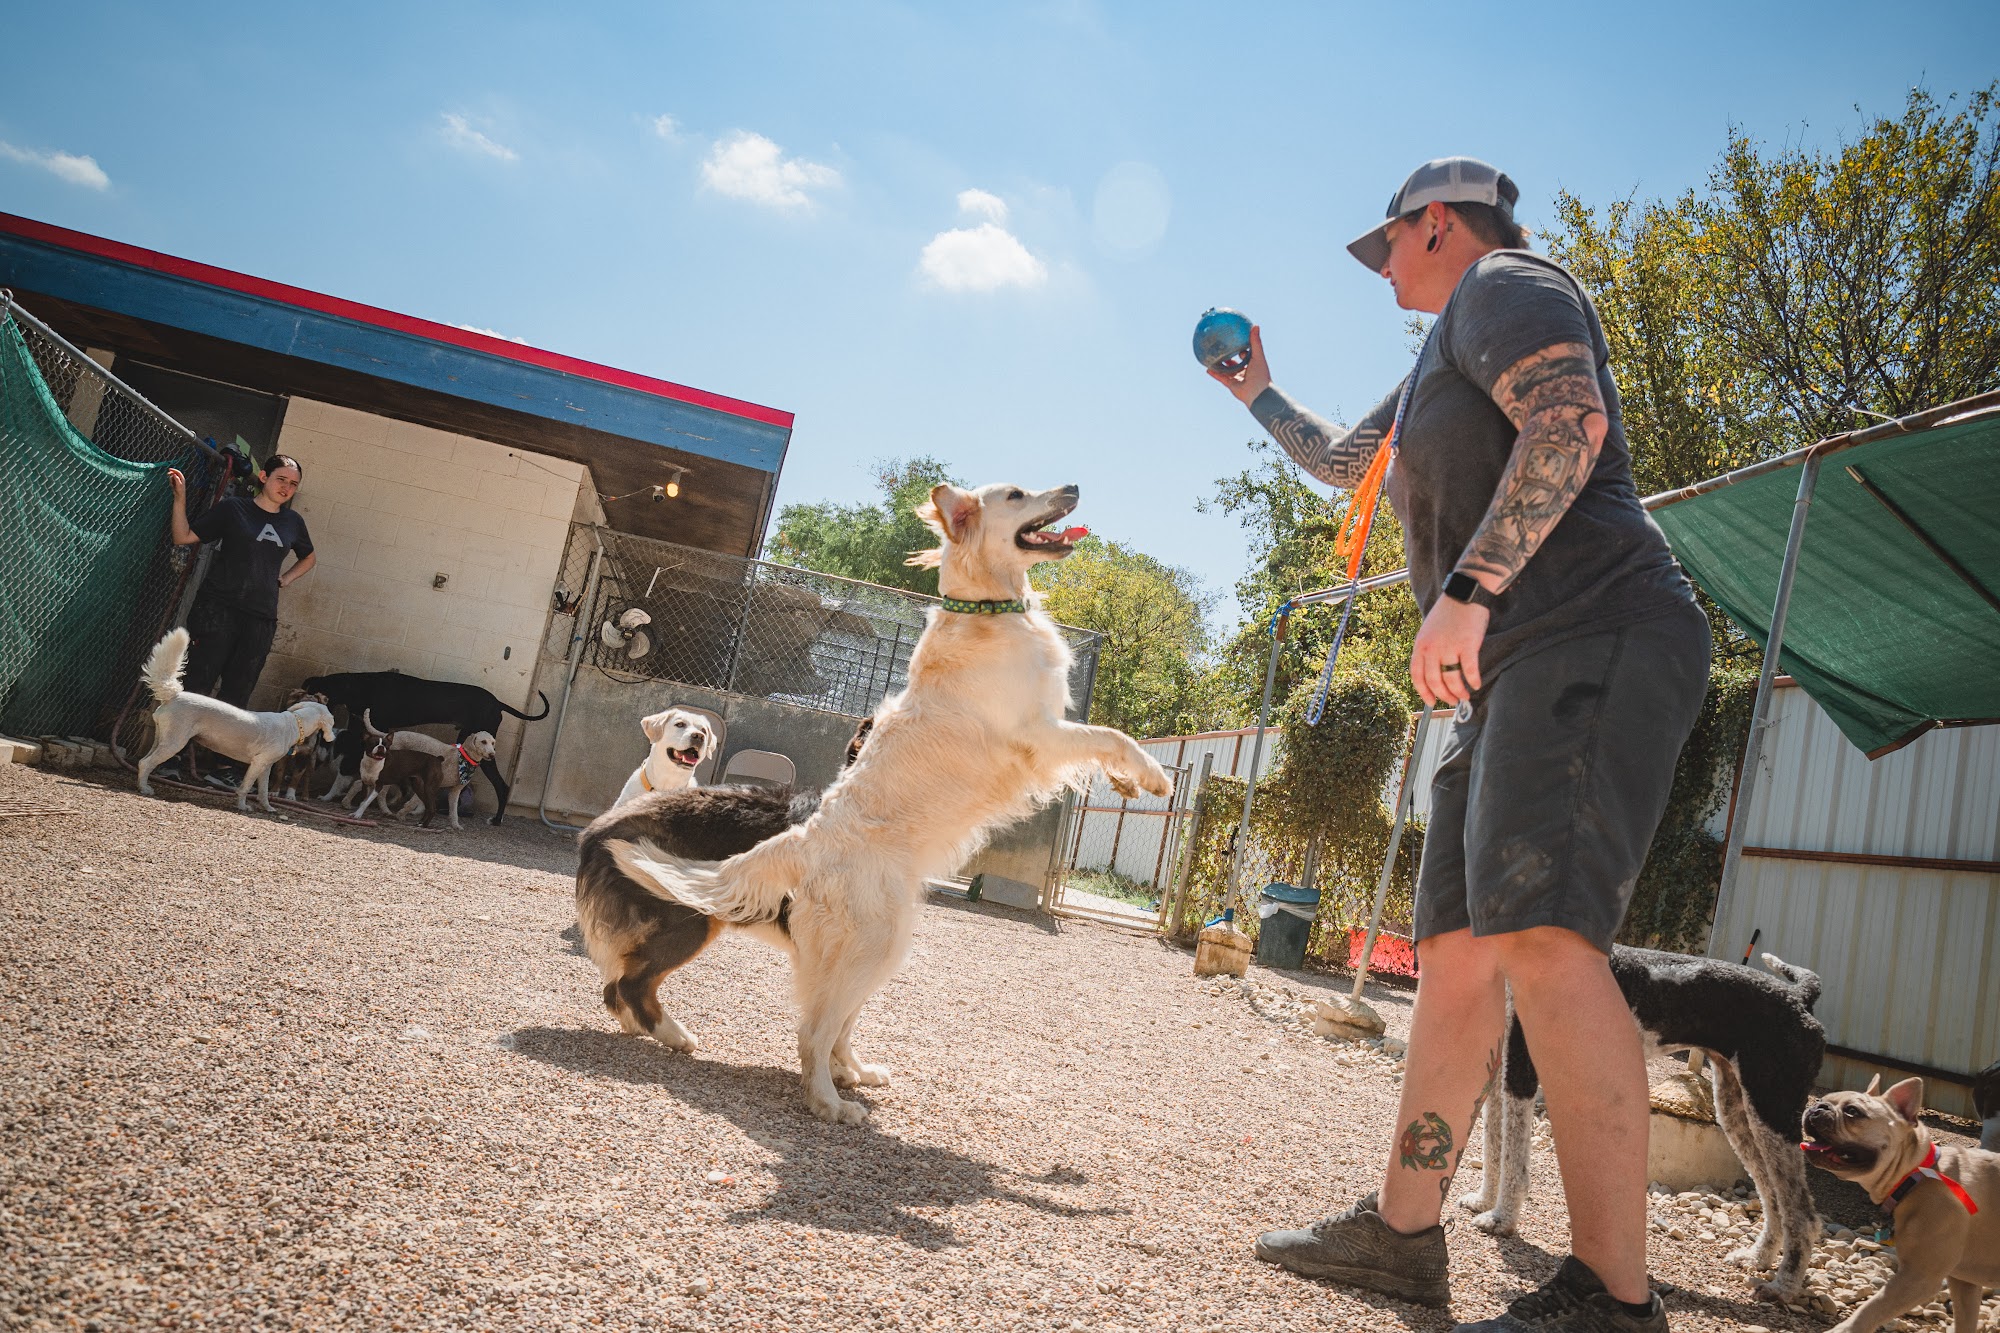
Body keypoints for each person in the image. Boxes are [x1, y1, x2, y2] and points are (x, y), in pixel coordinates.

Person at [1210, 158, 1711, 1333]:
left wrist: (1471, 585)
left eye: (1384, 244)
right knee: (1455, 952)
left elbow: (1569, 417)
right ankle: (1399, 1235)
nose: (1380, 267)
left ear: (1433, 222)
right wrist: (1255, 392)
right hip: (1514, 671)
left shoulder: (1503, 279)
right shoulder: (1439, 351)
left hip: (1592, 632)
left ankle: (1611, 1298)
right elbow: (1346, 463)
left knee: (1541, 940)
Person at [163, 454, 316, 775]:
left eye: (293, 484)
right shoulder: (235, 510)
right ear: (263, 477)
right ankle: (172, 758)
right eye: (281, 479)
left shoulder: (293, 523)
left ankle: (222, 767)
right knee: (198, 684)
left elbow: (309, 557)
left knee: (239, 689)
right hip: (217, 609)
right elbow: (184, 537)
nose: (286, 487)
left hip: (260, 619)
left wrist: (285, 579)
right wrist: (180, 498)